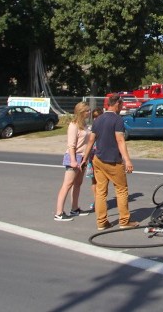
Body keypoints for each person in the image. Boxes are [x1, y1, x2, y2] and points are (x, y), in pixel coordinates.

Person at [81, 94, 138, 230]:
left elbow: (91, 140)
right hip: (113, 160)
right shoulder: (118, 120)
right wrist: (127, 159)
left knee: (101, 191)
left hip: (98, 159)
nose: (123, 106)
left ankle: (101, 222)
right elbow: (120, 140)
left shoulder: (98, 119)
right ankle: (124, 221)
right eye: (122, 104)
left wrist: (85, 157)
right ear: (117, 104)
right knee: (122, 190)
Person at [54, 102, 90, 221]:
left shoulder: (84, 125)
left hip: (83, 157)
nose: (89, 113)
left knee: (78, 184)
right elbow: (71, 145)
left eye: (89, 110)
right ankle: (59, 212)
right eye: (86, 111)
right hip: (74, 157)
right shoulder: (73, 125)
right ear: (80, 112)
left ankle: (74, 208)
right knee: (67, 184)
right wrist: (74, 161)